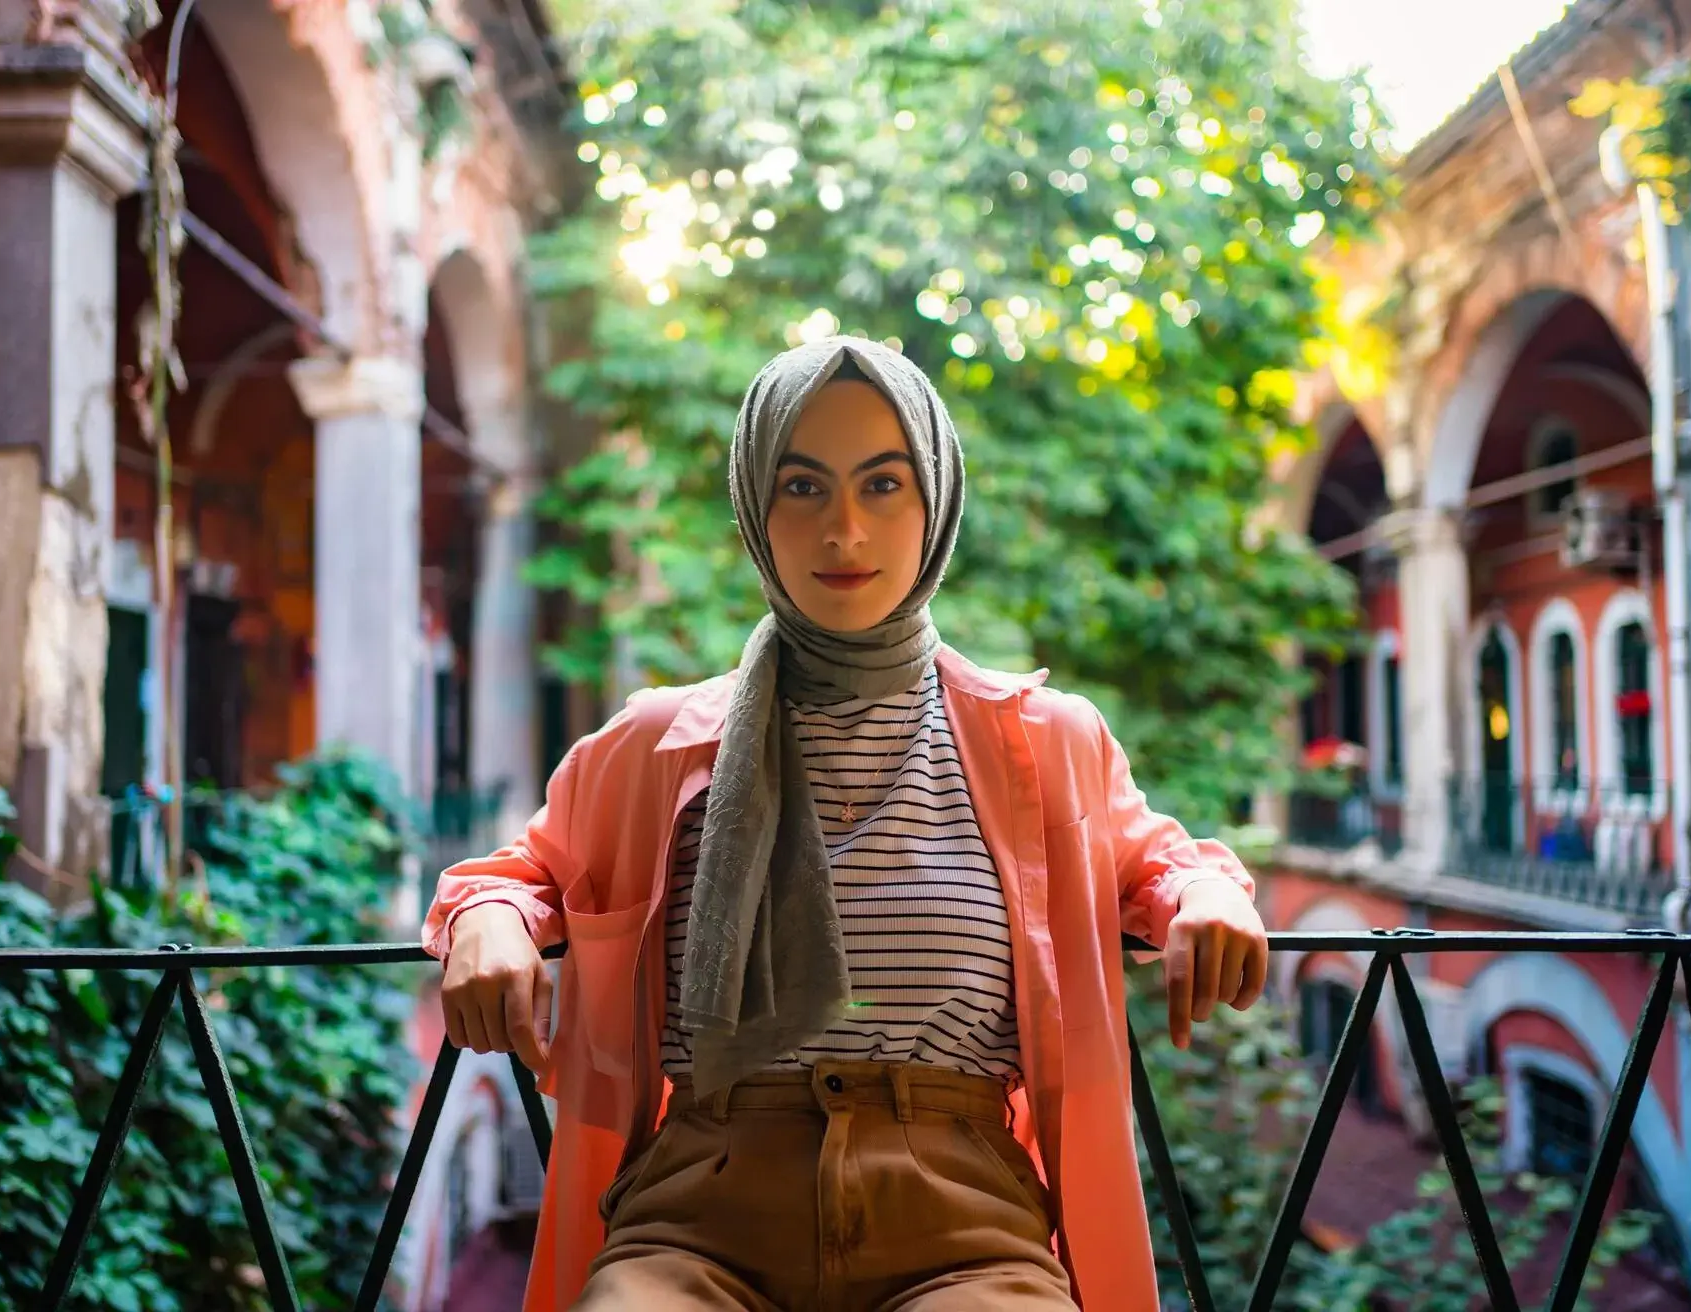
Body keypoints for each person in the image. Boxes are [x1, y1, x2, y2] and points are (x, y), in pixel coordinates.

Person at [424, 336, 1268, 1311]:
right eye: (803, 486)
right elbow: (510, 875)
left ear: (937, 500)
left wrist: (1205, 892)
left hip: (966, 1222)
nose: (844, 530)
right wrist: (488, 921)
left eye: (883, 484)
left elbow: (1158, 859)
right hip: (698, 1215)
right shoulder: (656, 745)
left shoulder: (1044, 742)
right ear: (755, 503)